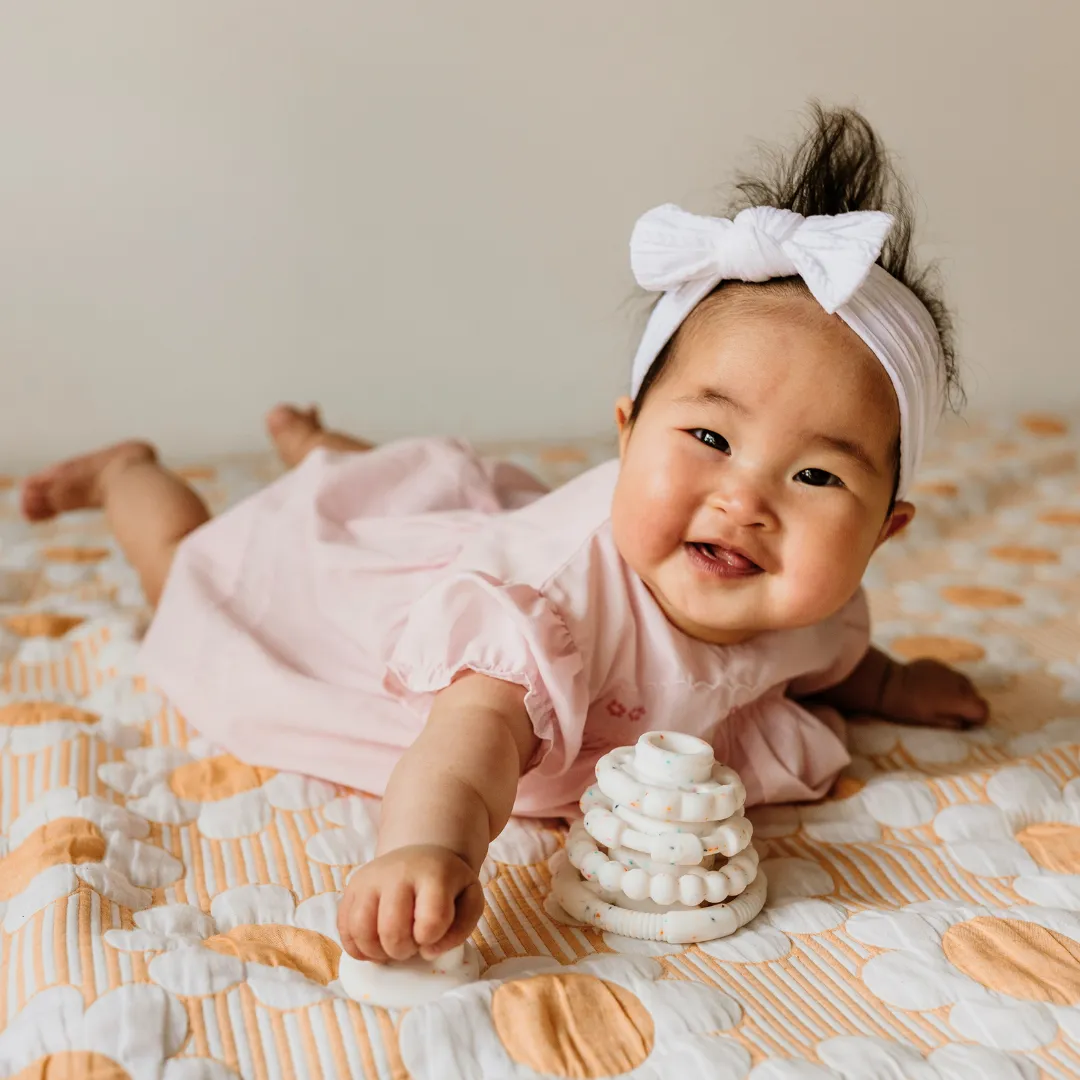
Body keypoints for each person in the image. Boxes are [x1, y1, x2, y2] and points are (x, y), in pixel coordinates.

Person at [21, 106, 988, 967]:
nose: (745, 501)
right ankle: (129, 475)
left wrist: (894, 685)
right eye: (708, 437)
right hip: (362, 612)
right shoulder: (551, 613)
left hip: (492, 530)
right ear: (625, 434)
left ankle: (328, 450)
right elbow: (471, 742)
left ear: (880, 533)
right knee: (197, 572)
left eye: (816, 475)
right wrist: (428, 847)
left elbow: (820, 662)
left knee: (424, 494)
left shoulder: (799, 595)